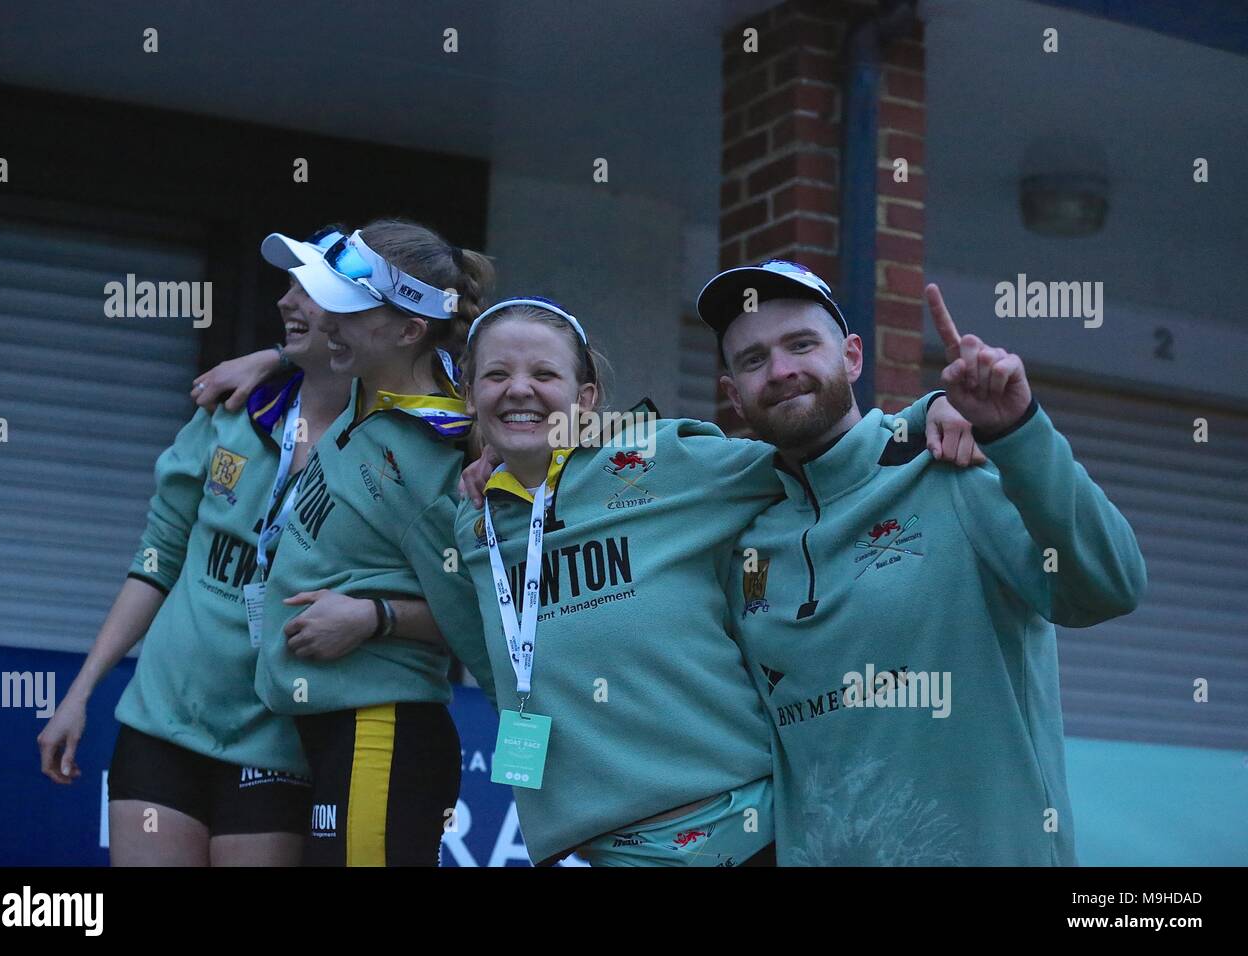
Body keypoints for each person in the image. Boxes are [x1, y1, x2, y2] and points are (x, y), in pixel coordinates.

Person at [450, 294, 975, 866]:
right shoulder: (473, 524)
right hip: (601, 851)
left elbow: (821, 450)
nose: (518, 389)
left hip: (747, 832)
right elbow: (493, 663)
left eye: (543, 373)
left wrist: (930, 411)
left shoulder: (660, 460)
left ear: (585, 399)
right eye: (495, 375)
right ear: (470, 395)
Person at [696, 260, 1147, 865]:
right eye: (753, 360)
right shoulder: (740, 535)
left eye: (801, 344)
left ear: (853, 358)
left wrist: (1019, 430)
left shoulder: (952, 470)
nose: (781, 371)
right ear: (733, 394)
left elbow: (1110, 587)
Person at [38, 228, 355, 865]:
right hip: (161, 720)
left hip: (278, 739)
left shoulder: (388, 445)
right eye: (287, 286)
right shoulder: (231, 410)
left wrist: (277, 355)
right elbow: (155, 561)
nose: (287, 302)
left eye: (309, 290)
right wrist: (79, 693)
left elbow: (451, 382)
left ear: (364, 318)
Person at [204, 218, 497, 866]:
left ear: (407, 330)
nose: (325, 321)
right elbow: (316, 345)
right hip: (330, 730)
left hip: (382, 731)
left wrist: (376, 617)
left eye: (344, 310)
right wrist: (272, 356)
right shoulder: (372, 390)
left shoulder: (428, 455)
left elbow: (486, 616)